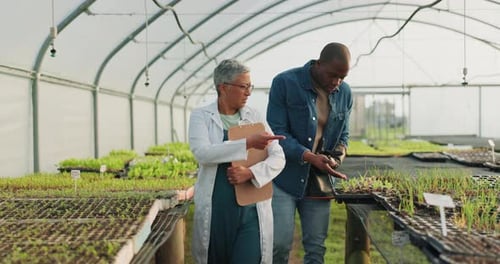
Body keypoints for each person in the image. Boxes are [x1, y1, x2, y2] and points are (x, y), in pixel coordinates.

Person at [189, 59, 286, 264]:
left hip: (251, 209)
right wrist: (248, 142)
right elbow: (203, 152)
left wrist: (252, 173)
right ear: (223, 87)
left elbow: (278, 156)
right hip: (217, 210)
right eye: (243, 86)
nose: (248, 92)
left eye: (250, 86)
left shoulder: (255, 116)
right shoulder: (201, 116)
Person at [266, 42, 353, 264]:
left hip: (319, 181)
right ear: (319, 63)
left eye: (342, 77)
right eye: (333, 75)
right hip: (284, 177)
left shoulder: (345, 93)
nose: (337, 83)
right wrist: (309, 156)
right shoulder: (285, 83)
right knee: (279, 245)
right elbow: (277, 132)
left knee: (316, 248)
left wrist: (335, 159)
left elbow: (344, 136)